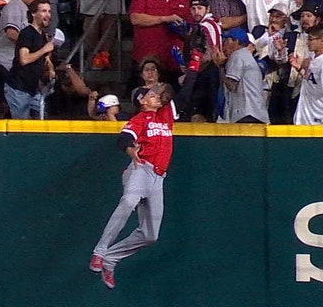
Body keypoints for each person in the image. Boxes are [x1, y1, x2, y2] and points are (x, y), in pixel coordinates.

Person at [88, 65, 197, 290]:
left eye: (158, 97)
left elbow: (175, 92)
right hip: (140, 169)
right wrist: (130, 151)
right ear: (142, 101)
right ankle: (99, 252)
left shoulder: (165, 116)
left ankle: (111, 258)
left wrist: (193, 67)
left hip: (158, 178)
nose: (157, 97)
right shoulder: (140, 119)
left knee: (151, 235)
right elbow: (124, 139)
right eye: (151, 96)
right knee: (128, 201)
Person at [4, 0, 55, 119]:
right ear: (33, 13)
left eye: (49, 11)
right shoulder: (27, 33)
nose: (47, 15)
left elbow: (46, 59)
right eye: (43, 11)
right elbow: (24, 59)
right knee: (22, 127)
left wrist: (51, 69)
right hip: (19, 88)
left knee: (41, 121)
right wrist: (44, 49)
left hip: (34, 88)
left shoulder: (42, 36)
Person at [292, 23, 323, 125]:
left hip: (318, 117)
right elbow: (312, 81)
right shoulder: (314, 58)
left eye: (310, 39)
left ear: (322, 40)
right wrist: (299, 69)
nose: (307, 43)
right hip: (305, 113)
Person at [218, 27, 267, 123]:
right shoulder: (246, 56)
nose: (224, 46)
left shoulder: (237, 55)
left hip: (247, 114)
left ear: (235, 42)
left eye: (226, 41)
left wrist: (221, 65)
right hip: (257, 114)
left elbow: (231, 85)